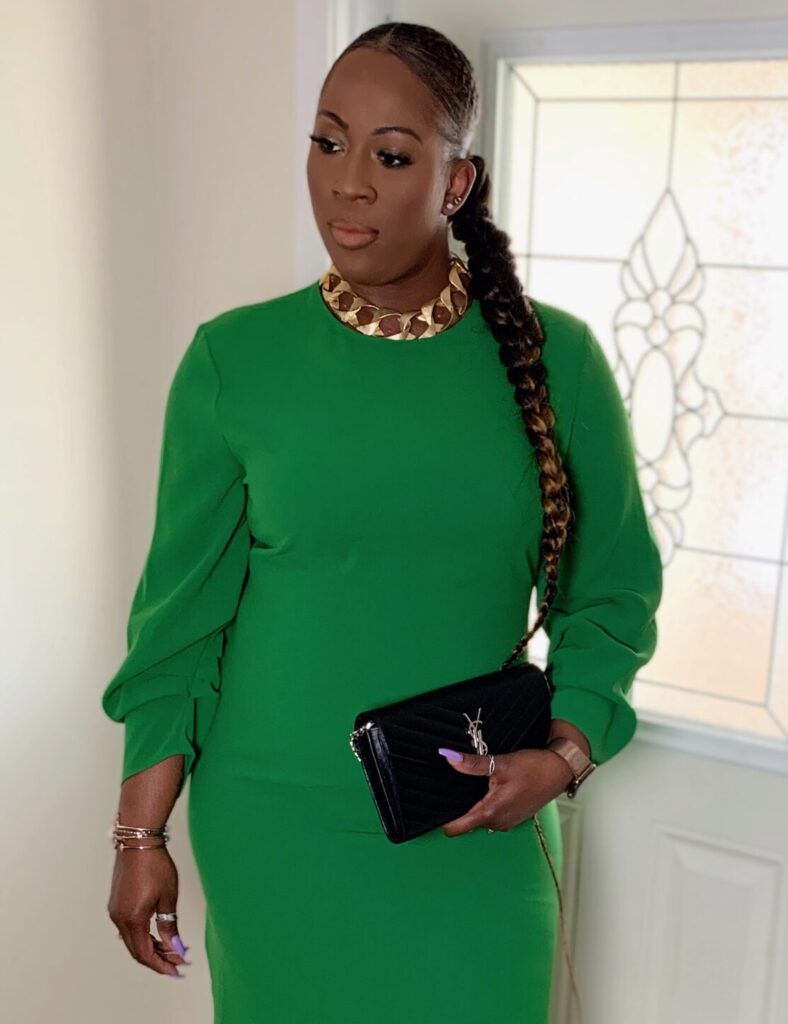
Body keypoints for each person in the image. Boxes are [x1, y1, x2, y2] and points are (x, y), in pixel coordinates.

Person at [102, 20, 663, 1024]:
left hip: (476, 826)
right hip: (276, 830)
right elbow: (177, 628)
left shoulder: (559, 362)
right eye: (328, 142)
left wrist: (563, 757)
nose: (347, 183)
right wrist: (140, 836)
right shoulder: (235, 363)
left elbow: (611, 594)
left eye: (392, 156)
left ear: (456, 183)